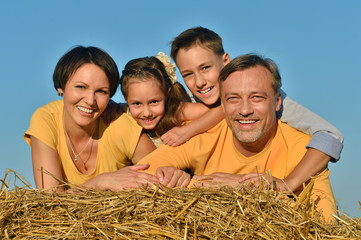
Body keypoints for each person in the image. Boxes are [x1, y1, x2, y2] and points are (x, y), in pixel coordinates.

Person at [137, 54, 337, 222]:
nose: (244, 110)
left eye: (257, 97)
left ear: (277, 102)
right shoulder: (202, 136)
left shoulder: (306, 152)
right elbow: (138, 176)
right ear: (222, 105)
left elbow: (324, 228)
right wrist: (185, 182)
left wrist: (250, 190)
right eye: (233, 98)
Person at [164, 26, 343, 192]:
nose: (199, 82)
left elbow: (331, 136)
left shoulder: (267, 96)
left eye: (205, 68)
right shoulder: (191, 98)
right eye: (188, 74)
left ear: (226, 60)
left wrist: (287, 184)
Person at [24, 46, 189, 192]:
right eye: (80, 87)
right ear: (61, 86)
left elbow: (161, 174)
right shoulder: (46, 120)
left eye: (101, 91)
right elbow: (50, 202)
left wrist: (172, 175)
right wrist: (99, 182)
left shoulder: (118, 124)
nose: (90, 100)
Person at [120, 52, 221, 148]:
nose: (147, 113)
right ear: (126, 99)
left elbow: (223, 109)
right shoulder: (123, 114)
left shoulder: (176, 111)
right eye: (137, 104)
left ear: (167, 94)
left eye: (154, 102)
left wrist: (188, 129)